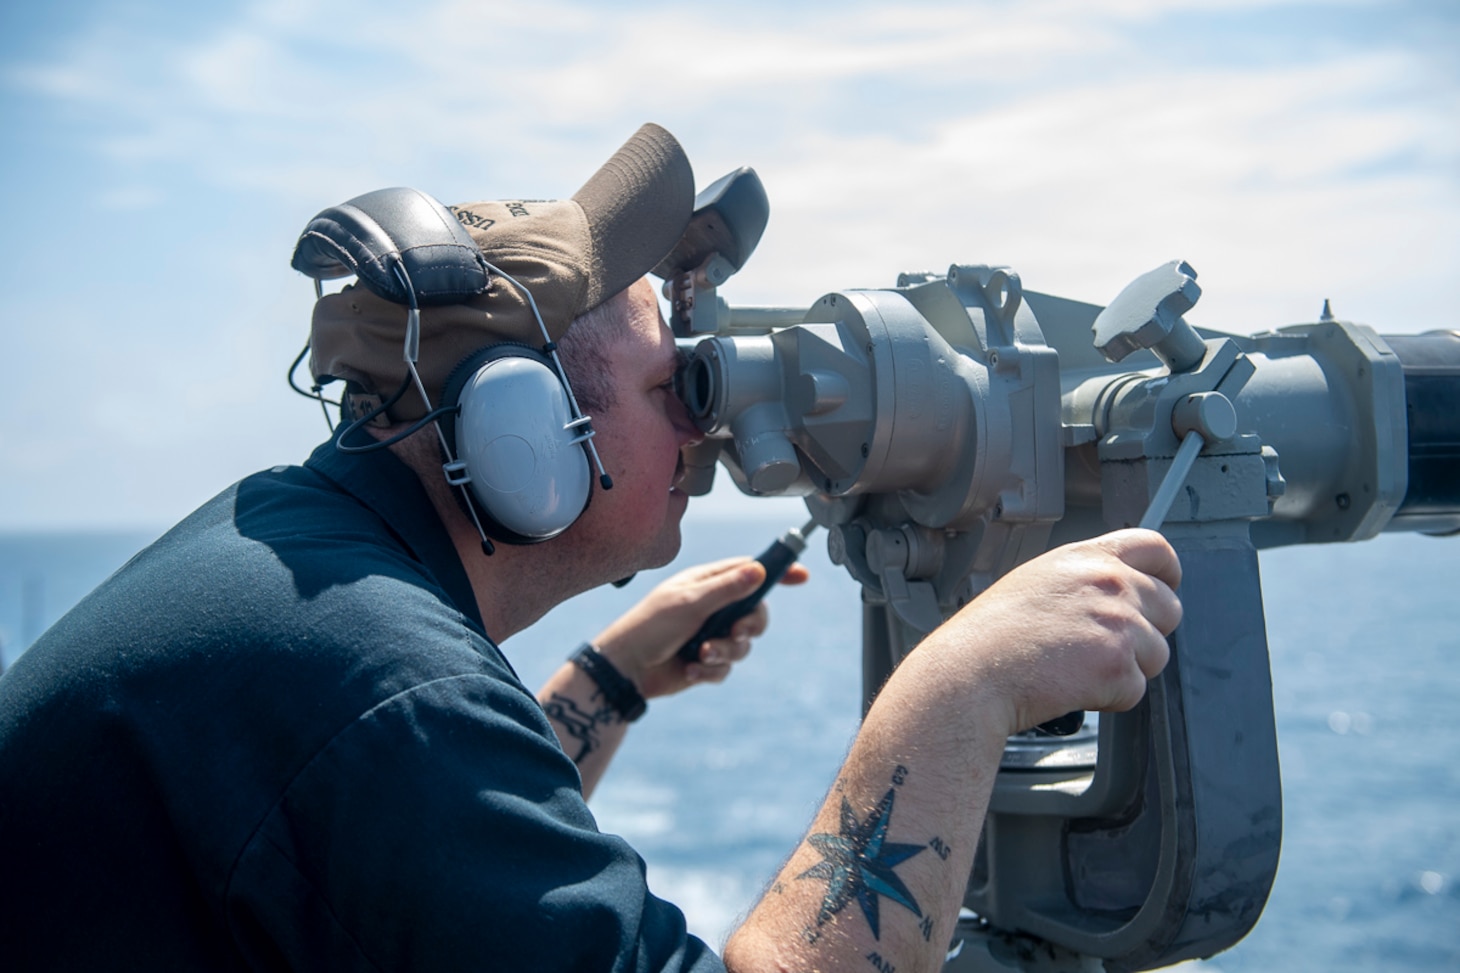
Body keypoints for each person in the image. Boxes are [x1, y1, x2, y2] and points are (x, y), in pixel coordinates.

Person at [0, 123, 1181, 972]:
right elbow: (402, 759)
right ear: (526, 432)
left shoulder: (299, 567)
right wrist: (960, 687)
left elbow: (423, 874)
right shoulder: (376, 693)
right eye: (674, 382)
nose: (706, 423)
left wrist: (603, 684)